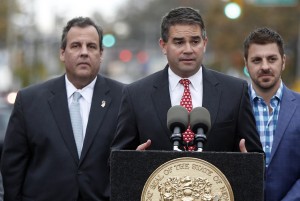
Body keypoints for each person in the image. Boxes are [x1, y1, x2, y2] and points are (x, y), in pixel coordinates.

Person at [1, 17, 124, 201]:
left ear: (101, 53)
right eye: (76, 46)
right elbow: (13, 167)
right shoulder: (29, 101)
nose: (84, 52)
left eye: (91, 46)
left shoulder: (124, 98)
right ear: (62, 53)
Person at [111, 7, 262, 153]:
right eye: (179, 42)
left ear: (205, 43)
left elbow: (256, 158)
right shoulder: (135, 95)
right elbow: (116, 160)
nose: (188, 49)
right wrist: (132, 163)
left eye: (195, 41)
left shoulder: (235, 91)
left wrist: (247, 165)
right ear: (163, 46)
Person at [244, 27, 300, 201]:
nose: (265, 66)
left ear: (283, 61)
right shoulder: (232, 107)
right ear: (246, 63)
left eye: (272, 59)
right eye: (256, 60)